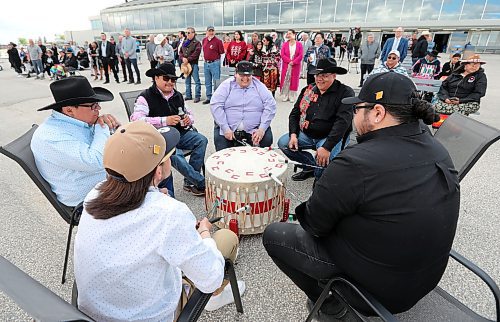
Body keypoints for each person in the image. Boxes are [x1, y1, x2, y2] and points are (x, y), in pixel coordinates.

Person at [264, 71, 459, 320]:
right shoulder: (438, 149)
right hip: (423, 280)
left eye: (358, 109)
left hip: (378, 293)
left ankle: (332, 305)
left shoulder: (356, 163)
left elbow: (314, 225)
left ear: (377, 113)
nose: (354, 115)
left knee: (275, 235)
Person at [74, 121, 244, 321]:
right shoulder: (169, 214)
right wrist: (205, 232)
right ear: (158, 172)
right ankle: (214, 298)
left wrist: (156, 197)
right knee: (225, 238)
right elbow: (210, 279)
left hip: (93, 313)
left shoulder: (94, 194)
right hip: (151, 315)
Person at [30, 76, 120, 207]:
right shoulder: (50, 136)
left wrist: (114, 128)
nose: (98, 109)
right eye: (93, 106)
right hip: (89, 200)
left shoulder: (79, 121)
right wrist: (102, 127)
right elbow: (96, 160)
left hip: (108, 185)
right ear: (69, 110)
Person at [131, 63, 208, 196]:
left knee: (201, 140)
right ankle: (200, 182)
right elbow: (136, 120)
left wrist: (188, 119)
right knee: (175, 155)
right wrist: (164, 121)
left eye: (173, 79)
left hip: (179, 133)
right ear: (156, 78)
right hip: (159, 138)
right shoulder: (145, 97)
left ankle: (190, 183)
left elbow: (189, 113)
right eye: (166, 78)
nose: (170, 82)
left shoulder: (177, 95)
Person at [277, 58, 354, 182]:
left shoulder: (345, 92)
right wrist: (293, 135)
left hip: (330, 136)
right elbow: (295, 113)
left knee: (323, 164)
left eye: (324, 75)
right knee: (283, 143)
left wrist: (327, 147)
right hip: (307, 134)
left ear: (334, 76)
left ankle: (319, 179)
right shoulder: (308, 90)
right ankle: (309, 167)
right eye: (317, 75)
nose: (319, 78)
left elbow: (343, 122)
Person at [210, 61, 276, 151]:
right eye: (242, 75)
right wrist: (225, 128)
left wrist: (261, 129)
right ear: (235, 74)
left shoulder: (259, 86)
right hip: (229, 129)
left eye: (248, 75)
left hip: (254, 129)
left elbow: (270, 106)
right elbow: (216, 105)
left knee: (266, 141)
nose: (245, 78)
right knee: (222, 147)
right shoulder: (226, 85)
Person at [202, 26, 225, 104]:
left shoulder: (218, 41)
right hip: (206, 63)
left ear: (214, 32)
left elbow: (221, 52)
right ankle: (209, 97)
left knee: (216, 81)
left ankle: (216, 97)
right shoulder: (204, 40)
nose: (211, 32)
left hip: (215, 63)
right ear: (207, 32)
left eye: (212, 31)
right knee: (207, 81)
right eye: (209, 31)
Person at [280, 29, 304, 103]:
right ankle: (286, 95)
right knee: (286, 79)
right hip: (286, 65)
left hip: (295, 65)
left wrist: (294, 62)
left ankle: (292, 96)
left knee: (293, 80)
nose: (288, 35)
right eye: (288, 34)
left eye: (290, 33)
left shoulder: (299, 44)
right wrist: (289, 61)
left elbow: (300, 55)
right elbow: (282, 54)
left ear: (294, 34)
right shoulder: (285, 44)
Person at [180, 27, 202, 103]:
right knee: (187, 81)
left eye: (189, 33)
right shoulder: (185, 42)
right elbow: (180, 52)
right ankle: (188, 95)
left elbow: (196, 53)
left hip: (193, 64)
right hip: (186, 64)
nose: (187, 34)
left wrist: (188, 59)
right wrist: (182, 58)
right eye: (187, 33)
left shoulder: (197, 43)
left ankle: (197, 96)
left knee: (197, 81)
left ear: (193, 33)